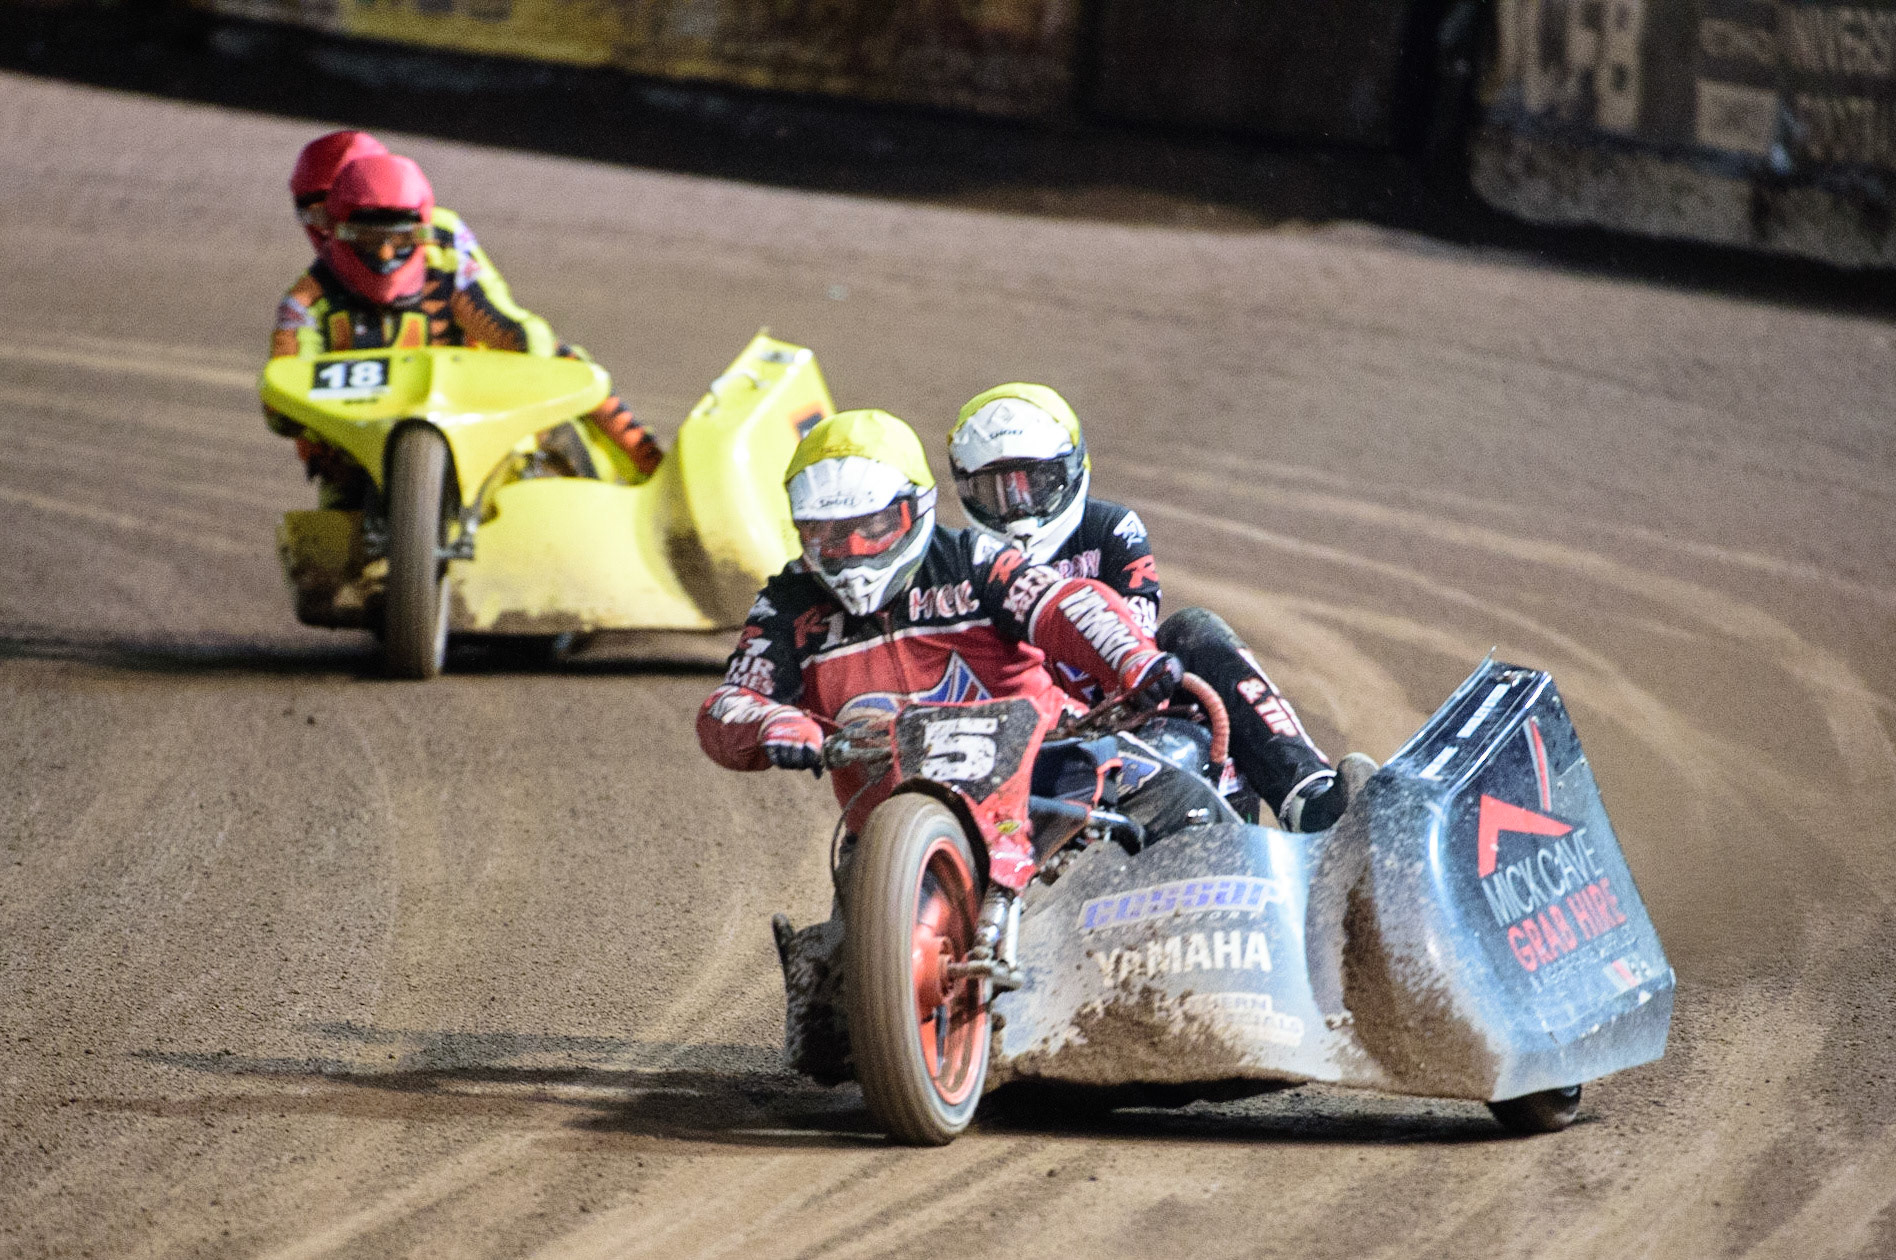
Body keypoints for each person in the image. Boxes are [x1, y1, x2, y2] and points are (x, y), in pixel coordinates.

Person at [697, 409, 1182, 967]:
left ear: (916, 509)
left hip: (1045, 784)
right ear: (801, 531)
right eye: (828, 534)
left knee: (1181, 798)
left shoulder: (972, 560)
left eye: (874, 526)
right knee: (828, 1026)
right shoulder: (786, 605)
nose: (854, 549)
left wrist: (1131, 658)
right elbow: (733, 698)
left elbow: (1061, 604)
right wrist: (772, 723)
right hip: (889, 835)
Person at [947, 382, 1349, 832]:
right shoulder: (960, 564)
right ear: (965, 489)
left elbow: (1135, 639)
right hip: (1021, 741)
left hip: (1125, 714)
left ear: (1072, 471)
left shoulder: (1112, 529)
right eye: (994, 490)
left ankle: (1308, 796)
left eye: (1035, 483)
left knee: (1193, 631)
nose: (1018, 508)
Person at [268, 152, 661, 506]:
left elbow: (515, 329)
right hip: (366, 448)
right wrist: (321, 430)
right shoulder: (306, 303)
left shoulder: (446, 253)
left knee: (567, 369)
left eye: (401, 238)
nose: (386, 253)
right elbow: (279, 401)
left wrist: (528, 363)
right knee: (326, 551)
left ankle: (649, 478)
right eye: (367, 238)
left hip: (477, 414)